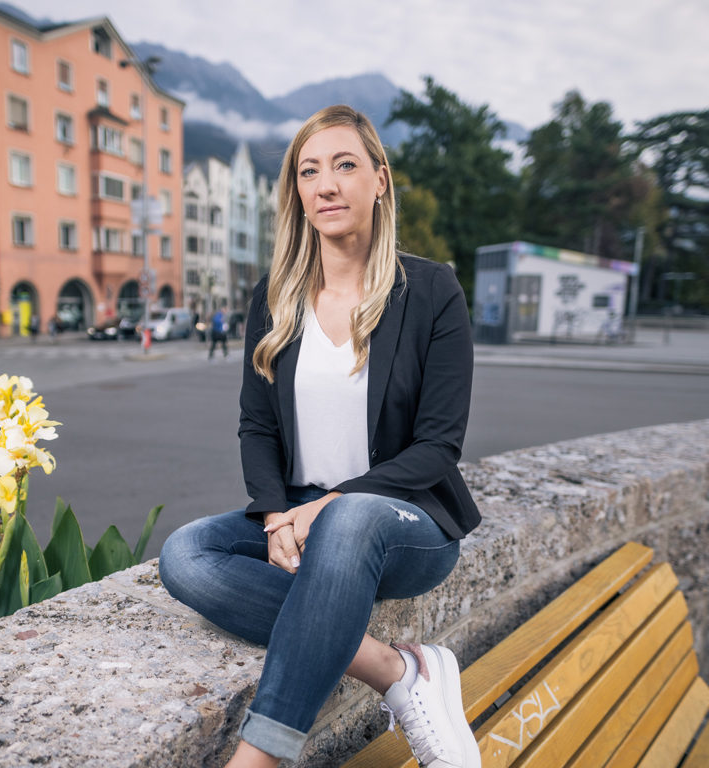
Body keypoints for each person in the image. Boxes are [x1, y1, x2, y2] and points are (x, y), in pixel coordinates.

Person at [159, 105, 481, 768]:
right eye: (309, 171)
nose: (326, 184)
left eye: (344, 166)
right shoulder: (274, 297)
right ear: (297, 192)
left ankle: (260, 755)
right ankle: (395, 669)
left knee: (352, 517)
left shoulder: (431, 291)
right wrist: (278, 513)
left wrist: (325, 508)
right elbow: (256, 425)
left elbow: (437, 446)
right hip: (300, 515)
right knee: (187, 553)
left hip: (404, 521)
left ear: (380, 181)